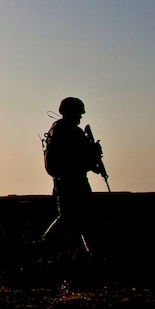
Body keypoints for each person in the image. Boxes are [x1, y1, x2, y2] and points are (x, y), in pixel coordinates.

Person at [40, 96, 104, 258]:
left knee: (76, 218)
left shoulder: (59, 130)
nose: (80, 117)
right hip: (74, 182)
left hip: (65, 182)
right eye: (79, 113)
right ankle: (45, 245)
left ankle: (48, 246)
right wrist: (94, 154)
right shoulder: (71, 132)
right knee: (78, 219)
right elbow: (80, 158)